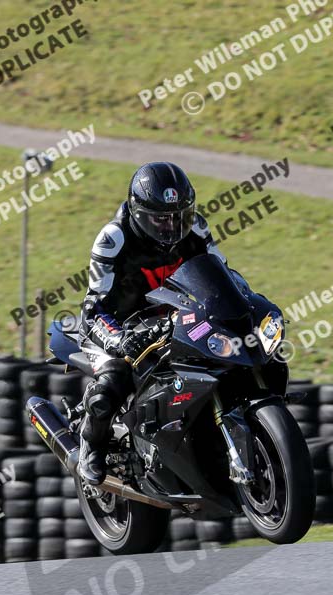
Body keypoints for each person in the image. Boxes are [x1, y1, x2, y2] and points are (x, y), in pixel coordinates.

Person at [78, 161, 230, 485]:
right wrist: (118, 340)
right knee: (113, 380)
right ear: (139, 213)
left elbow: (222, 276)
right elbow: (92, 308)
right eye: (161, 220)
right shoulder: (113, 238)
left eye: (179, 217)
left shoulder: (197, 229)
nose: (172, 228)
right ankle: (91, 446)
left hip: (172, 320)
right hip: (116, 325)